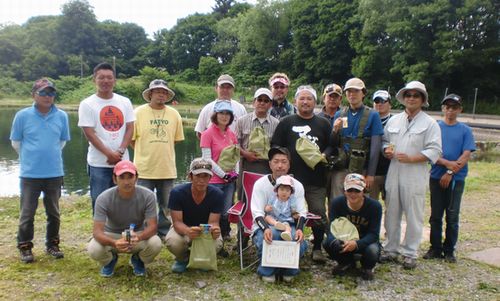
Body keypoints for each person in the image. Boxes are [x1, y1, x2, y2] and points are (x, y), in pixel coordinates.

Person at [380, 81, 442, 269]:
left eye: (416, 95)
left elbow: (435, 150)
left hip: (415, 173)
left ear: (422, 99)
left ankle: (410, 252)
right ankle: (391, 249)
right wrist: (386, 151)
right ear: (403, 98)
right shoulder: (394, 120)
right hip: (394, 170)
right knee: (391, 212)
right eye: (408, 95)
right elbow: (384, 141)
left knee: (414, 213)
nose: (411, 98)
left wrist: (413, 158)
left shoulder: (430, 123)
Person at [10, 78, 70, 263]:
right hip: (30, 174)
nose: (47, 96)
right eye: (43, 92)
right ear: (34, 94)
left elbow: (62, 142)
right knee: (27, 213)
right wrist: (32, 157)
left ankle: (52, 245)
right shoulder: (22, 115)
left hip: (54, 172)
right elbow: (16, 143)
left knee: (54, 212)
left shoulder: (62, 116)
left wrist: (47, 154)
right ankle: (25, 247)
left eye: (51, 93)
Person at [271, 85, 333, 263]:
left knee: (318, 213)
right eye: (302, 98)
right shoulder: (286, 122)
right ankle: (283, 240)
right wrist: (283, 165)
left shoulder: (323, 123)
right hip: (289, 180)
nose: (305, 102)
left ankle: (318, 247)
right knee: (285, 211)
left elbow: (331, 145)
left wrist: (325, 155)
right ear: (295, 101)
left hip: (316, 178)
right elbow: (276, 145)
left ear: (315, 102)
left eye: (309, 98)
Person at [424, 93, 475, 263]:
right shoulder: (435, 127)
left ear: (459, 110)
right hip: (436, 177)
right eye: (447, 107)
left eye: (454, 107)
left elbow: (466, 154)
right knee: (435, 215)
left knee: (452, 216)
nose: (450, 110)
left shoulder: (465, 130)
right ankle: (435, 247)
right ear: (442, 108)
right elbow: (430, 152)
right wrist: (446, 164)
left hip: (456, 179)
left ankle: (449, 249)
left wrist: (451, 172)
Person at [87, 160, 162, 277]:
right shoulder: (103, 198)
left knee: (156, 243)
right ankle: (110, 260)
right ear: (114, 179)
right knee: (94, 249)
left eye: (130, 177)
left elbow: (153, 227)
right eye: (122, 177)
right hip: (111, 234)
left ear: (136, 178)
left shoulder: (148, 195)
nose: (126, 182)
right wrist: (114, 242)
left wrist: (139, 237)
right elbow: (97, 232)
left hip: (137, 233)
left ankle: (138, 259)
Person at [78, 62, 135, 212]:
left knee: (124, 197)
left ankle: (122, 230)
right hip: (99, 162)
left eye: (109, 78)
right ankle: (100, 233)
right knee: (99, 199)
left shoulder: (124, 101)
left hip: (123, 161)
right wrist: (109, 153)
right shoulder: (87, 104)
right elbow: (89, 132)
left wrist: (121, 151)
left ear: (115, 80)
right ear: (94, 80)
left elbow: (130, 128)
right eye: (101, 77)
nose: (105, 81)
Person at [132, 79, 184, 239]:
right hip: (144, 168)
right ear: (150, 94)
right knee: (142, 203)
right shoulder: (138, 113)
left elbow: (175, 139)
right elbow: (131, 139)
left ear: (167, 95)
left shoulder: (174, 114)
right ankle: (144, 232)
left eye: (164, 92)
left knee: (167, 204)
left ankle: (163, 232)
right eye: (157, 91)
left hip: (166, 167)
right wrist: (144, 152)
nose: (161, 94)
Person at [251, 147, 308, 283]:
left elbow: (302, 211)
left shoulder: (297, 186)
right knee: (272, 236)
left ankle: (288, 270)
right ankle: (267, 270)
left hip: (289, 224)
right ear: (270, 164)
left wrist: (300, 228)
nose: (280, 165)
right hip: (265, 224)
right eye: (276, 161)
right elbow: (257, 212)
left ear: (289, 164)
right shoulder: (260, 184)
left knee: (297, 240)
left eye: (284, 161)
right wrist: (265, 229)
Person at [165, 158, 223, 273]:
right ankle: (183, 259)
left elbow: (214, 222)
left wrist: (215, 230)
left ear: (210, 178)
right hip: (184, 227)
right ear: (190, 176)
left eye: (205, 176)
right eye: (198, 176)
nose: (201, 180)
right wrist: (187, 231)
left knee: (218, 243)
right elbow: (177, 222)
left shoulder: (217, 194)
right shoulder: (177, 193)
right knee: (172, 241)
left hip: (205, 231)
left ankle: (200, 259)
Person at [330, 78, 384, 200]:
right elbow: (333, 144)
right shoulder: (339, 114)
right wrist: (334, 131)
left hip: (362, 166)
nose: (352, 94)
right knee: (338, 200)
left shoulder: (373, 115)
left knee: (361, 200)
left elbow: (375, 147)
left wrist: (371, 174)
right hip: (342, 166)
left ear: (363, 93)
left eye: (356, 91)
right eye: (349, 91)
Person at [323, 173, 382, 281]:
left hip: (365, 241)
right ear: (344, 191)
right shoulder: (336, 203)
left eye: (357, 190)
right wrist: (335, 242)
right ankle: (346, 262)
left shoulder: (375, 206)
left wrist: (356, 244)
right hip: (344, 240)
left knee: (372, 250)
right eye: (349, 190)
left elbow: (374, 234)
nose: (353, 194)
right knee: (328, 243)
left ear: (363, 191)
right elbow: (331, 228)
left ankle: (367, 267)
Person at [200, 101, 239, 243]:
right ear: (215, 115)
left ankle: (225, 232)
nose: (224, 116)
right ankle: (211, 235)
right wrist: (223, 174)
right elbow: (207, 160)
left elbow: (236, 156)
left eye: (227, 113)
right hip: (214, 180)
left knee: (227, 209)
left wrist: (236, 173)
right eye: (221, 113)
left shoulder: (232, 134)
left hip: (230, 180)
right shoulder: (207, 134)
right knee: (213, 209)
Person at [236, 88, 279, 175]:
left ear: (270, 104)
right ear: (254, 102)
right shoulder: (241, 121)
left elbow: (278, 146)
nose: (262, 103)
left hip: (268, 167)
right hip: (246, 164)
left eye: (266, 101)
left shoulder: (276, 123)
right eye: (259, 100)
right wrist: (245, 154)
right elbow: (234, 143)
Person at [194, 74, 247, 138]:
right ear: (216, 88)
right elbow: (199, 133)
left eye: (228, 87)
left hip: (235, 146)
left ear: (233, 90)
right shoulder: (207, 109)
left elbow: (245, 132)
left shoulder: (241, 109)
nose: (225, 90)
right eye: (222, 87)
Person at [317, 83, 343, 204]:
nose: (332, 99)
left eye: (336, 97)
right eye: (330, 96)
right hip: (321, 164)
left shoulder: (345, 117)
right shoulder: (317, 117)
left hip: (340, 164)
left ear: (340, 99)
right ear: (324, 98)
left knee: (336, 200)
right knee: (320, 199)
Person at [369, 90, 393, 201]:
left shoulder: (397, 121)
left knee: (392, 207)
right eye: (377, 101)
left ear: (390, 104)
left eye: (383, 101)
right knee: (370, 205)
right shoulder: (367, 120)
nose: (380, 104)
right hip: (371, 173)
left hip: (391, 171)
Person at [264, 175, 299, 241]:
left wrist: (295, 214)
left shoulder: (291, 200)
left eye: (287, 190)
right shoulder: (273, 198)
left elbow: (293, 210)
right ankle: (276, 224)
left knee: (287, 225)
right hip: (274, 218)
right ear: (277, 190)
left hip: (285, 219)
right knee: (267, 217)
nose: (284, 192)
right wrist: (267, 208)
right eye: (282, 189)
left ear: (290, 193)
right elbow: (267, 207)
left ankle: (287, 233)